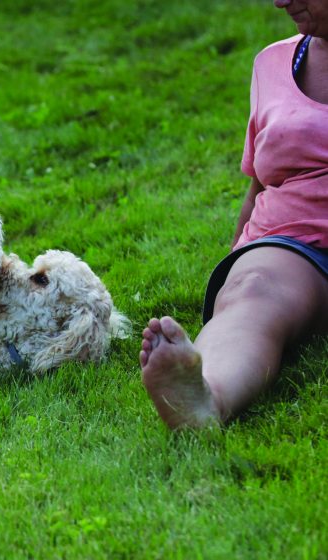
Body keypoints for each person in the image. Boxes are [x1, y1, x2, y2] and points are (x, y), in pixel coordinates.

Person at [139, 0, 328, 429]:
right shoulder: (272, 63)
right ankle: (205, 397)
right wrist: (240, 263)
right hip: (295, 249)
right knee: (254, 290)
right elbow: (261, 182)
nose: (280, 1)